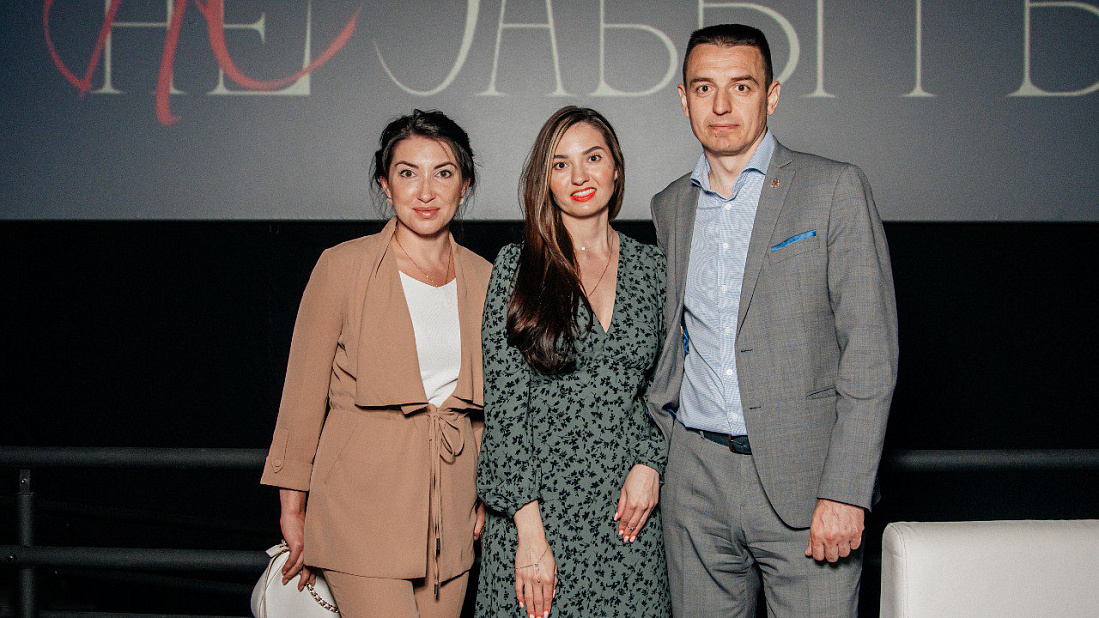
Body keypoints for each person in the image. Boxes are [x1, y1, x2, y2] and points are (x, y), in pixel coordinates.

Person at [648, 24, 899, 617]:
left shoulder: (833, 188)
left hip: (808, 484)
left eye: (741, 86)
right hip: (695, 484)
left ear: (772, 95)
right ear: (683, 99)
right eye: (704, 88)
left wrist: (846, 490)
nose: (722, 105)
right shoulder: (670, 205)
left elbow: (870, 351)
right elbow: (675, 344)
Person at [259, 109, 492, 618]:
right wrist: (292, 507)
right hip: (359, 505)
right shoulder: (342, 266)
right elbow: (303, 394)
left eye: (443, 173)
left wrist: (484, 493)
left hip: (450, 517)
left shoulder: (486, 278)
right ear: (386, 185)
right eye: (408, 173)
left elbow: (488, 408)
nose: (425, 191)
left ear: (465, 185)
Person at [476, 106, 671, 618]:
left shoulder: (654, 267)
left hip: (629, 516)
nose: (580, 176)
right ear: (546, 180)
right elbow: (505, 409)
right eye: (561, 164)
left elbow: (670, 385)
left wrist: (651, 462)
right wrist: (529, 534)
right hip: (539, 518)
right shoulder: (518, 266)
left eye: (593, 158)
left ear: (616, 169)